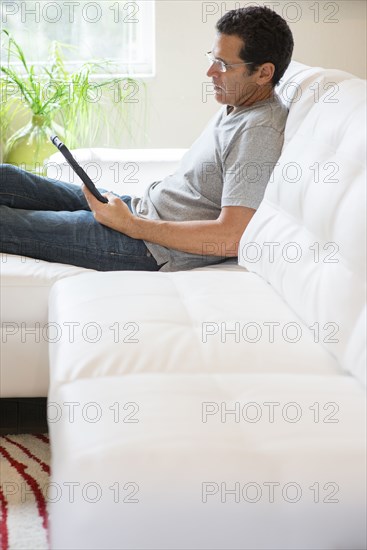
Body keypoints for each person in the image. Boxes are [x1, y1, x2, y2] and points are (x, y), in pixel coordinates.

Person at [0, 6, 294, 272]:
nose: (210, 72)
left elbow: (231, 236)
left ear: (263, 73)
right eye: (213, 59)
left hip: (145, 247)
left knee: (8, 223)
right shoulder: (239, 103)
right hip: (138, 212)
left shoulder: (259, 131)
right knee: (7, 177)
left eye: (224, 66)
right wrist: (132, 218)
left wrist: (133, 226)